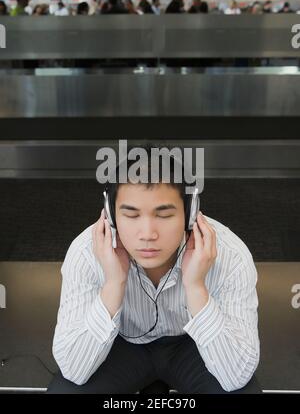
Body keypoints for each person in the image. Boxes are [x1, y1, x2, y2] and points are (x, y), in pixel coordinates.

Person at [48, 146, 260, 394]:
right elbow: (73, 369)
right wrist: (114, 283)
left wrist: (195, 287)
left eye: (164, 215)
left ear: (189, 213)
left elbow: (237, 375)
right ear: (111, 215)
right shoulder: (86, 253)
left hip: (191, 345)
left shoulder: (229, 254)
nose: (148, 234)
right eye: (131, 215)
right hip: (121, 343)